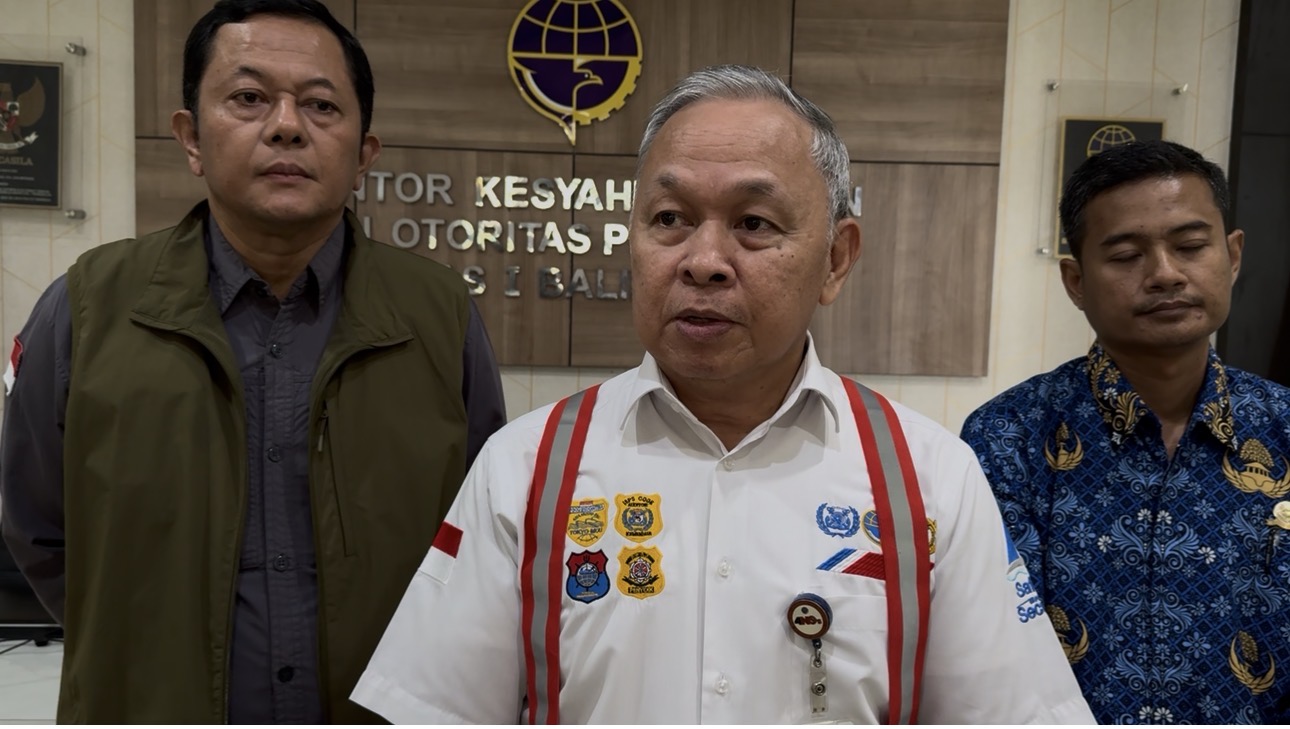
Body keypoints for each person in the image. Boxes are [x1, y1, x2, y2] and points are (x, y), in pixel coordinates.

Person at [349, 64, 1093, 724]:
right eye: (670, 219)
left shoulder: (931, 478)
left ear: (836, 259)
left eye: (753, 224)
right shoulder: (523, 467)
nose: (703, 260)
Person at [0, 0, 506, 722]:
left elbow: (480, 537)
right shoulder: (87, 307)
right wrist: (138, 650)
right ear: (191, 137)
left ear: (365, 153)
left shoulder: (439, 315)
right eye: (248, 98)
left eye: (322, 105)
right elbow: (37, 528)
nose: (287, 125)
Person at [962, 140, 1290, 723]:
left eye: (1190, 246)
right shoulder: (1008, 437)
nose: (1165, 274)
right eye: (1126, 255)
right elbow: (988, 650)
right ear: (1075, 281)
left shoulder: (1283, 427)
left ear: (1233, 255)